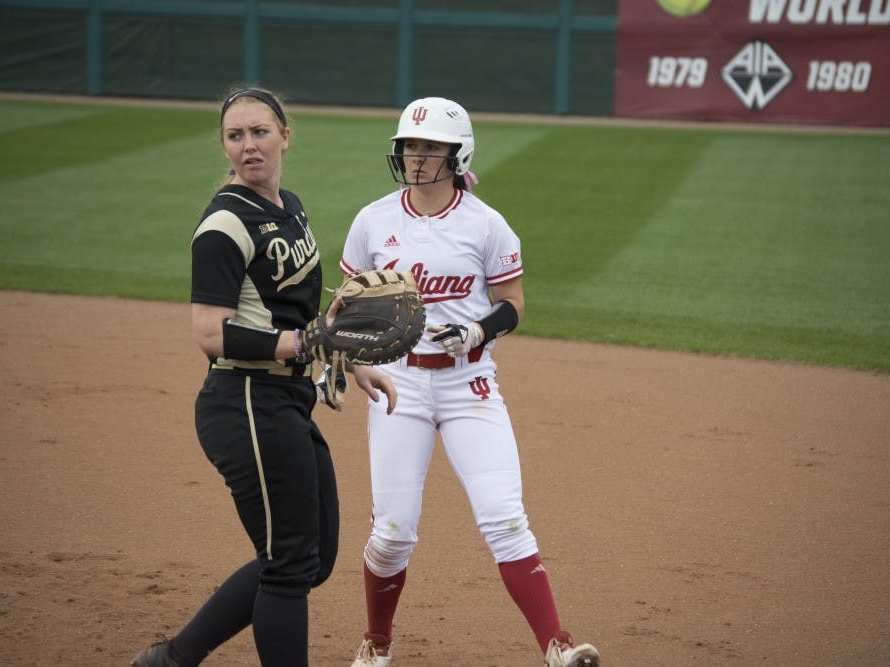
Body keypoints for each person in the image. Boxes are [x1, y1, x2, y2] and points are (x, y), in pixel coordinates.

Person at [130, 86, 396, 667]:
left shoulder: (288, 206)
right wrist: (302, 344)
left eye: (259, 132)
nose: (248, 145)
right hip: (246, 403)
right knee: (287, 564)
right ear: (224, 145)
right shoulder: (223, 225)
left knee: (312, 558)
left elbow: (296, 315)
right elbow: (209, 331)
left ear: (284, 135)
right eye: (235, 135)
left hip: (283, 399)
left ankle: (172, 659)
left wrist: (347, 356)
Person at [340, 97, 601, 667]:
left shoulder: (486, 224)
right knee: (391, 534)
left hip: (469, 387)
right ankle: (377, 643)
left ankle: (556, 647)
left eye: (431, 147)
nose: (416, 157)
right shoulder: (373, 221)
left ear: (459, 156)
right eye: (409, 145)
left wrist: (478, 332)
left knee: (505, 518)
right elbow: (348, 306)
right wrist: (355, 358)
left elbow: (513, 304)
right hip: (399, 387)